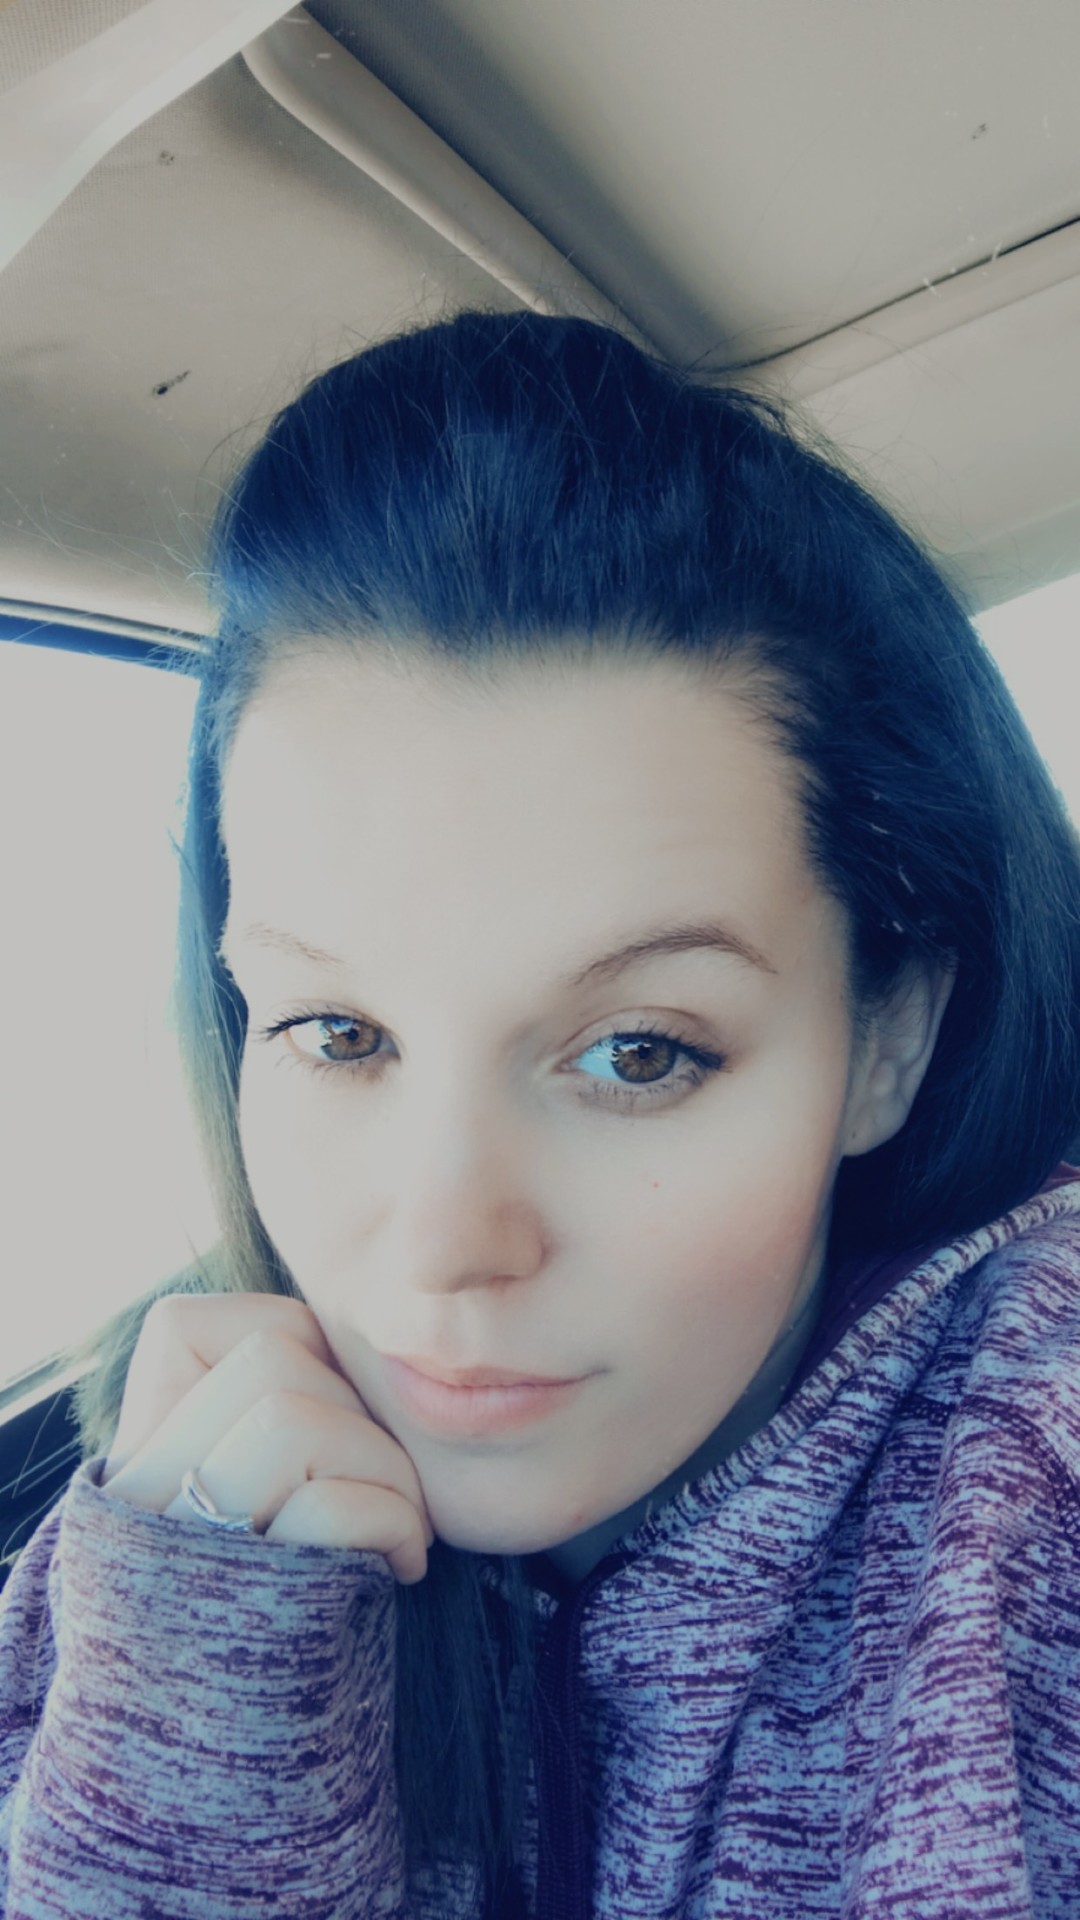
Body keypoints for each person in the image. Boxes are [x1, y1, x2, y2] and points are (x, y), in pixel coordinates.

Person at [2, 310, 1080, 1920]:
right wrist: (199, 1743)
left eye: (639, 1054)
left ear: (888, 1039)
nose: (444, 1243)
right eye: (337, 1033)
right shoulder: (157, 1526)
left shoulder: (1031, 1500)